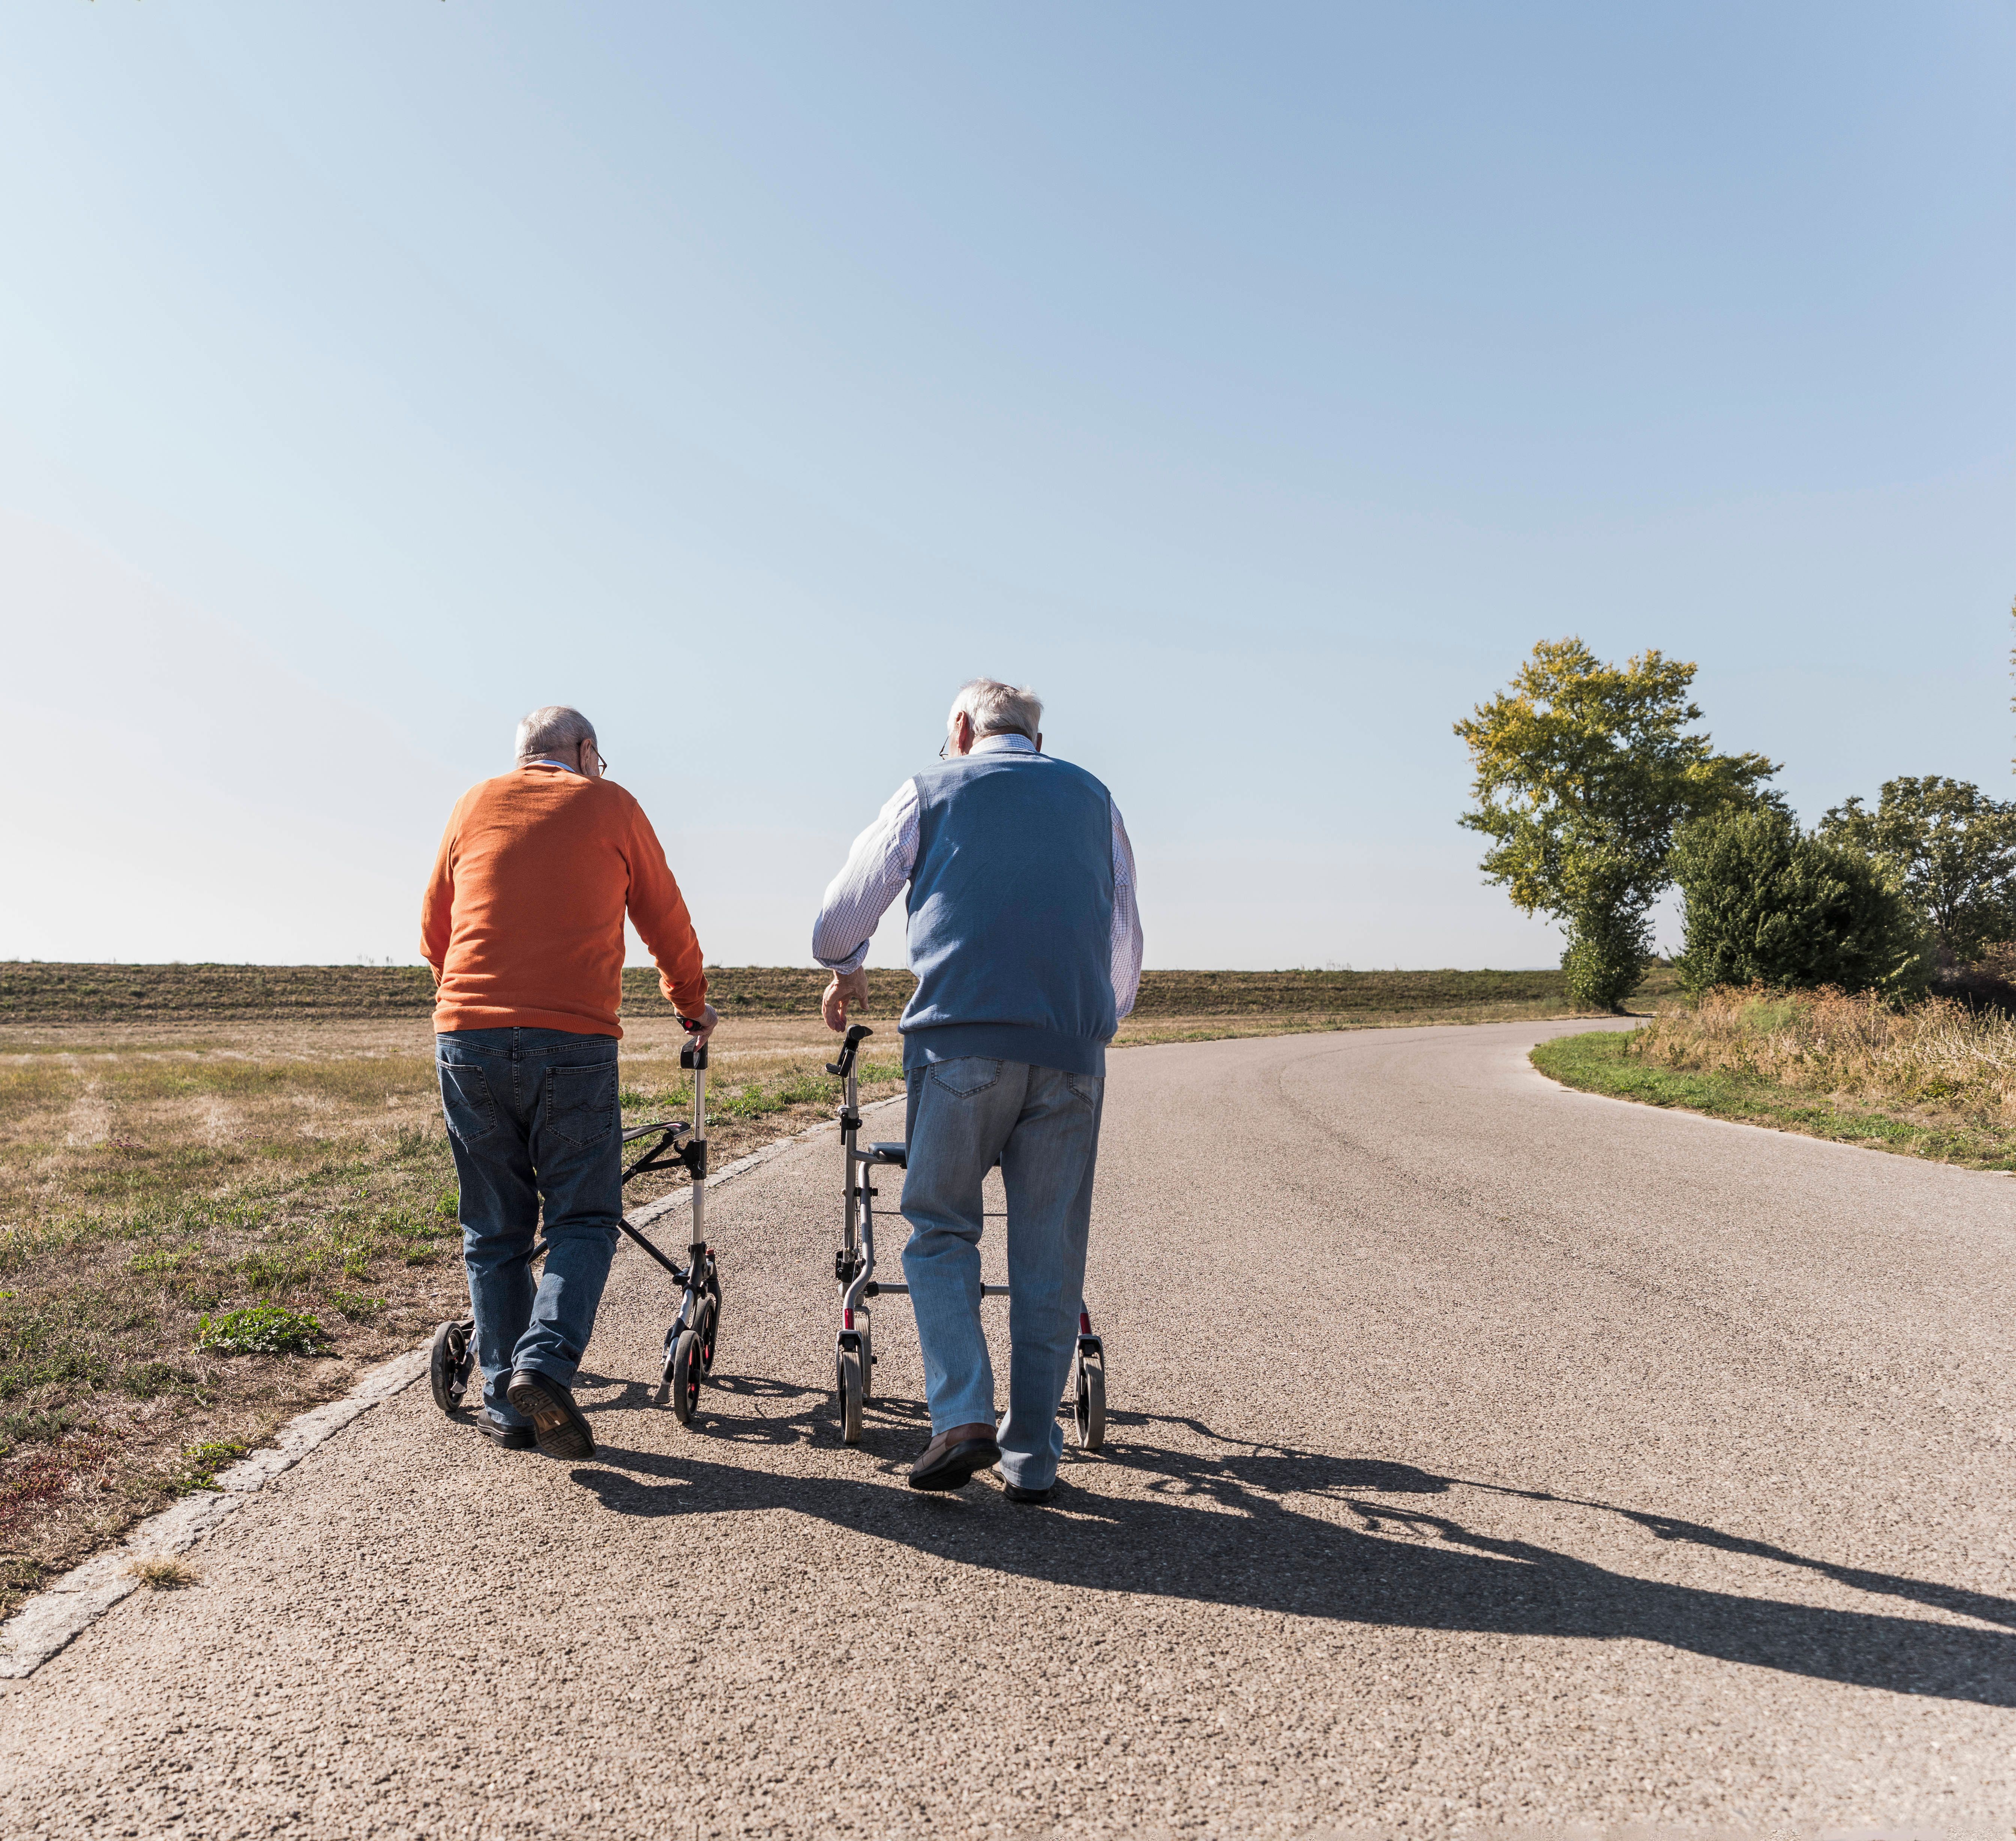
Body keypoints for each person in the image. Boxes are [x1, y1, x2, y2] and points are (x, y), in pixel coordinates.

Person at [812, 678, 1142, 1502]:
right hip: (1071, 1050)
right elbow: (1124, 936)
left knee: (939, 1229)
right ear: (1037, 738)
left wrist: (846, 967)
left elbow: (840, 916)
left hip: (959, 1043)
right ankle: (1032, 1456)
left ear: (960, 728)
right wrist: (1087, 1024)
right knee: (1048, 1255)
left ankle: (962, 1415)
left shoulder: (929, 789)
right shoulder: (1095, 800)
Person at [421, 705, 718, 1460]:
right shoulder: (610, 805)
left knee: (495, 1227)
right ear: (584, 751)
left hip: (466, 1036)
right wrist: (690, 1004)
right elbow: (665, 919)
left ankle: (506, 1405)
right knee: (583, 1216)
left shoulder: (472, 804)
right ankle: (544, 1365)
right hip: (573, 1039)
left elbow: (434, 929)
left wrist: (469, 1003)